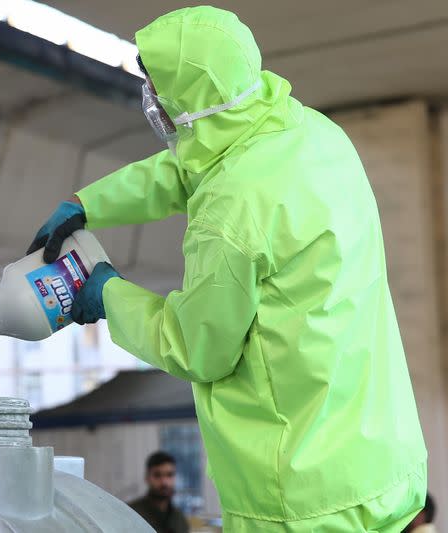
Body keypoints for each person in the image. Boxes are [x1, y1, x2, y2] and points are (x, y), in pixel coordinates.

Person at [27, 6, 427, 532]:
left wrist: (107, 294)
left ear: (186, 102)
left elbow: (199, 347)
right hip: (381, 467)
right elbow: (199, 159)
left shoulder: (229, 211)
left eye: (160, 92)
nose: (155, 106)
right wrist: (92, 203)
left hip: (298, 499)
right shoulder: (313, 134)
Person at [129, 451, 189, 533]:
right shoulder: (131, 513)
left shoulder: (179, 518)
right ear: (147, 478)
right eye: (157, 475)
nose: (164, 482)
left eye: (169, 475)